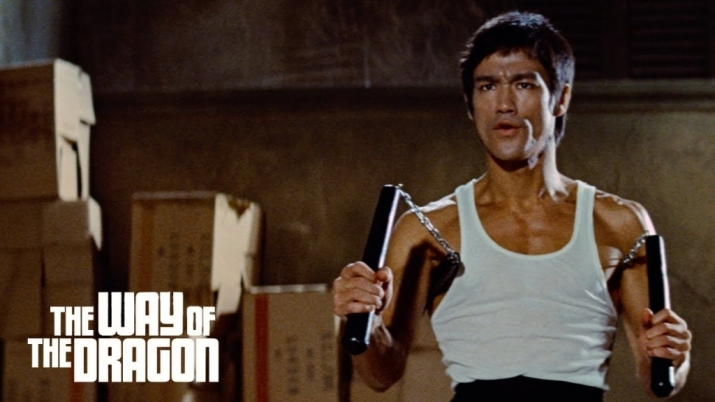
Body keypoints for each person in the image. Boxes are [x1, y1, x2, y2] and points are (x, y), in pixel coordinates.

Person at [332, 10, 692, 401]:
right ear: (470, 103)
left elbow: (658, 378)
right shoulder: (426, 229)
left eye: (523, 84)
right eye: (487, 87)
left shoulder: (619, 222)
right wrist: (365, 322)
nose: (504, 104)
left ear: (560, 98)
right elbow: (381, 375)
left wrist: (676, 356)